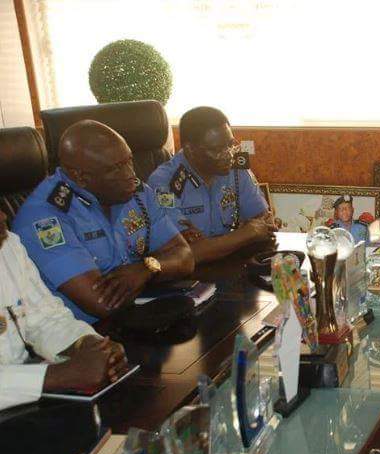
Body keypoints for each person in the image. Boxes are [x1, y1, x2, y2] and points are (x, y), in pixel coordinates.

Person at [12, 120, 194, 324]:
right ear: (79, 176)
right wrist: (162, 269)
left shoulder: (136, 192)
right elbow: (102, 303)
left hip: (141, 313)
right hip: (85, 333)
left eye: (129, 161)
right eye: (115, 169)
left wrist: (147, 269)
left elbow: (185, 257)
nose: (130, 174)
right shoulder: (45, 218)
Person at [0, 209, 128, 411]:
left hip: (25, 407)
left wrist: (92, 346)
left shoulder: (8, 246)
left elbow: (45, 318)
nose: (3, 216)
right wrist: (59, 376)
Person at [148, 107, 276, 264]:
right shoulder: (164, 183)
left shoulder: (237, 169)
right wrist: (245, 233)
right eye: (217, 150)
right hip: (190, 274)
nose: (228, 154)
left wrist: (210, 245)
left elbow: (265, 223)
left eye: (230, 145)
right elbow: (183, 254)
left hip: (234, 264)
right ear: (190, 149)